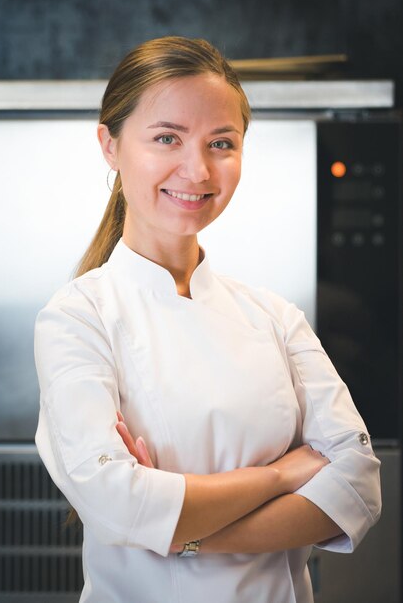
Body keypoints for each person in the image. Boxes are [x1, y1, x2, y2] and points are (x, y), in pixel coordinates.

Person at [34, 36, 381, 603]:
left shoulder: (274, 316)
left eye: (222, 142)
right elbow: (116, 503)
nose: (196, 170)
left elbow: (359, 487)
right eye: (167, 137)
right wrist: (280, 475)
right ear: (110, 145)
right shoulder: (78, 318)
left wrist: (178, 531)